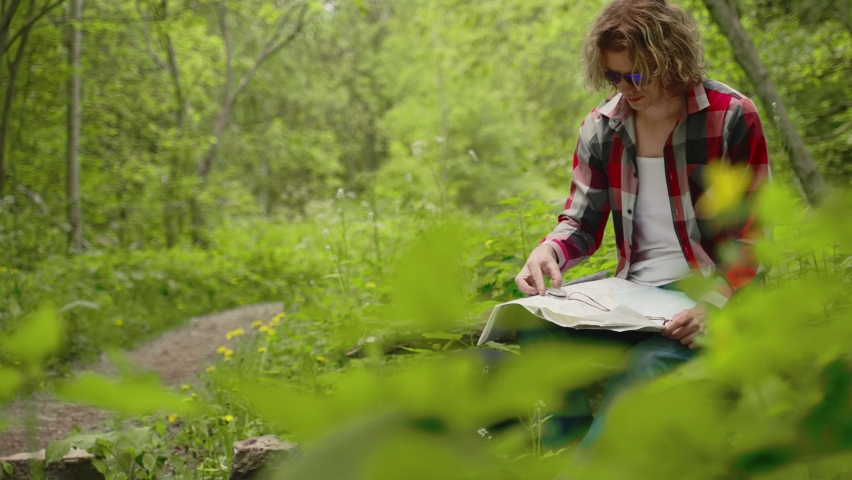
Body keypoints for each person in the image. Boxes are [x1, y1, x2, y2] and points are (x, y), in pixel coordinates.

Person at [513, 0, 770, 453]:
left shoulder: (730, 116)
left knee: (646, 365)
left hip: (711, 295)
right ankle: (567, 450)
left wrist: (712, 306)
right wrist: (550, 251)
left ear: (670, 59)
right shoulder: (601, 127)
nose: (625, 88)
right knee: (532, 322)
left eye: (637, 75)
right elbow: (581, 221)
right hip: (634, 295)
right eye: (613, 76)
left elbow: (755, 238)